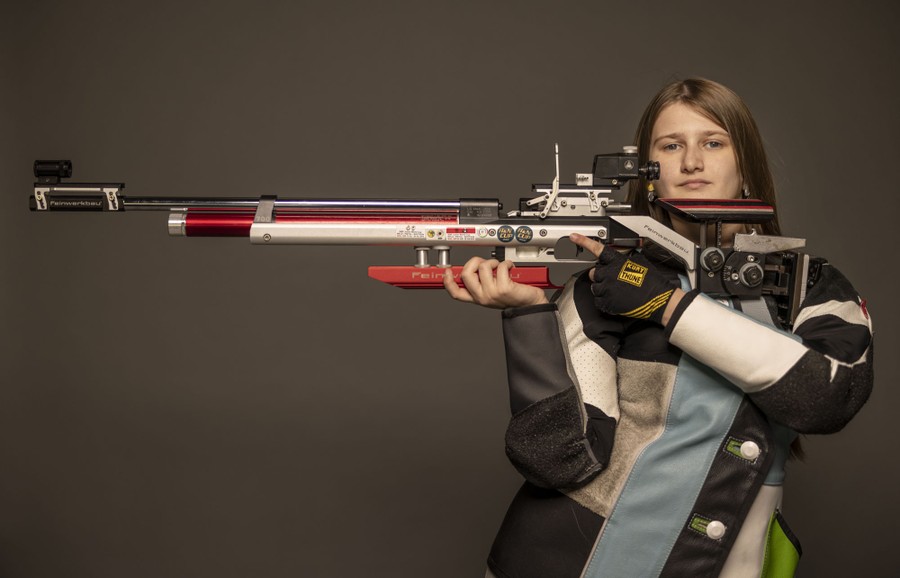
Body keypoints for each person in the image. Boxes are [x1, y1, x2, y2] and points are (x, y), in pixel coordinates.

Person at [443, 78, 874, 578]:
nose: (691, 162)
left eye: (713, 142)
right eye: (671, 146)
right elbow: (559, 460)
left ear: (746, 165)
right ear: (648, 174)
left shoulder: (809, 286)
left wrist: (667, 305)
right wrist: (531, 316)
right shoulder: (603, 286)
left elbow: (829, 397)